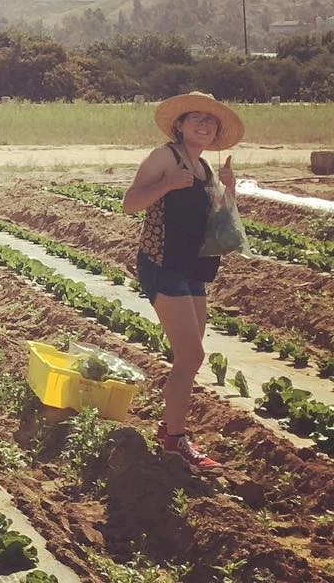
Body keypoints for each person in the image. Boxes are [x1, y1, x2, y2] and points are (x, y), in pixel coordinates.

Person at [123, 91, 244, 474]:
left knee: (187, 358)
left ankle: (170, 431)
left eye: (211, 122)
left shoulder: (206, 168)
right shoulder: (166, 157)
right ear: (180, 124)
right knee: (191, 356)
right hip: (163, 263)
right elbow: (130, 202)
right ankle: (175, 439)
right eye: (197, 119)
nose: (205, 126)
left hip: (193, 266)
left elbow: (217, 219)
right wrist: (166, 185)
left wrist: (228, 188)